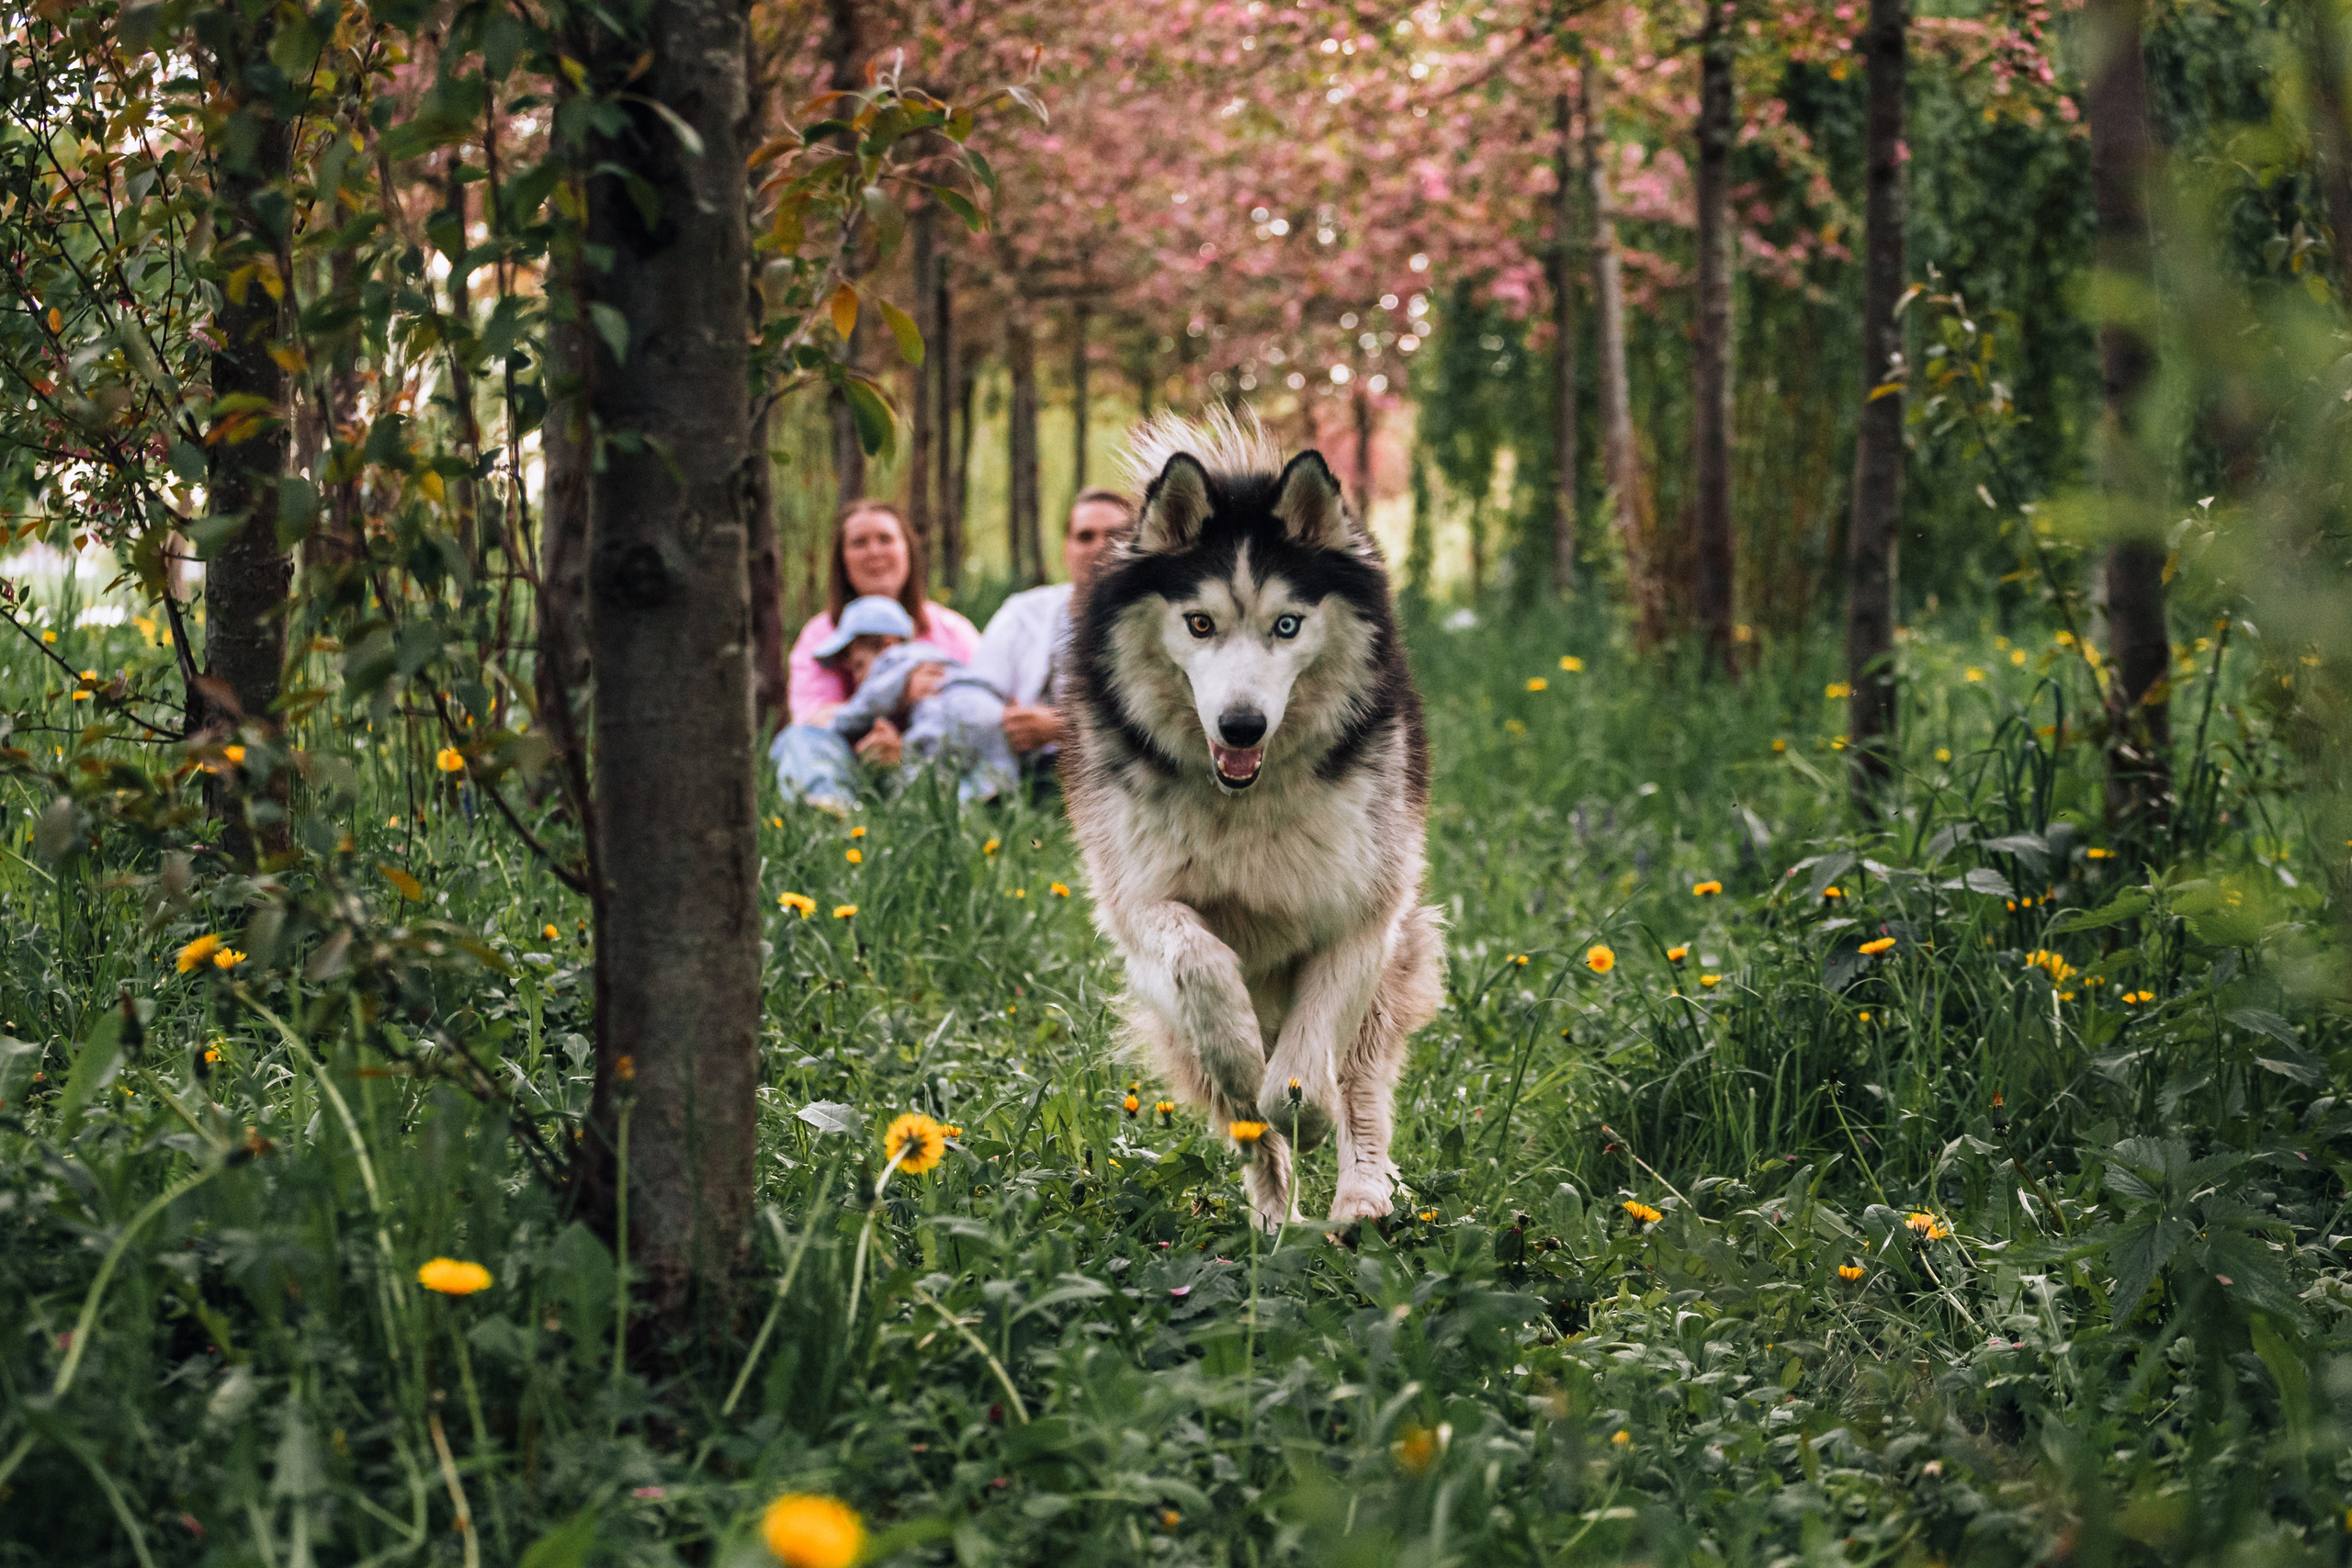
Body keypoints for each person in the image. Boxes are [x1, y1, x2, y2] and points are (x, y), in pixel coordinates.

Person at [771, 596, 1020, 810]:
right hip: (986, 713)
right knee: (985, 763)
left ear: (888, 643)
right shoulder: (935, 658)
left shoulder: (894, 661)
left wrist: (840, 719)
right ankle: (989, 792)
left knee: (921, 761)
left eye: (858, 666)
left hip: (943, 717)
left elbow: (871, 702)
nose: (856, 678)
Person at [950, 488, 1136, 770]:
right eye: (1085, 536)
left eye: (1114, 536)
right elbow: (971, 692)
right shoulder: (1023, 613)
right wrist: (1007, 720)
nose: (1100, 547)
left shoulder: (1156, 622)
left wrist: (1063, 728)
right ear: (1066, 550)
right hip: (1019, 770)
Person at [787, 502, 982, 758]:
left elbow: (983, 707)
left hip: (936, 761)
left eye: (886, 539)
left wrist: (904, 751)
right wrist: (897, 692)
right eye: (859, 543)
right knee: (795, 742)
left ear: (908, 550)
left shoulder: (951, 630)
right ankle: (830, 799)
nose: (874, 552)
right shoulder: (820, 636)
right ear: (842, 561)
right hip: (850, 758)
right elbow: (812, 721)